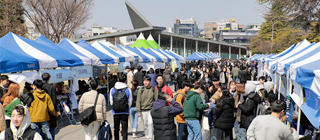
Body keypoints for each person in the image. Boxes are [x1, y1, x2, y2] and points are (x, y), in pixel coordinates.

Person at [110, 74, 132, 140]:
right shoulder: (128, 90)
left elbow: (111, 102)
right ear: (125, 81)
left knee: (116, 129)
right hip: (125, 112)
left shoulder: (112, 90)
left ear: (118, 80)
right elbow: (130, 102)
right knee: (125, 130)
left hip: (115, 112)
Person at [136, 76, 158, 140]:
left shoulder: (154, 90)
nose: (145, 82)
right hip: (143, 110)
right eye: (144, 81)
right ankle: (147, 137)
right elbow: (138, 101)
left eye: (147, 81)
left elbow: (156, 100)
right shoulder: (141, 90)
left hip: (151, 110)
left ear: (150, 82)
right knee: (145, 125)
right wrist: (139, 111)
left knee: (150, 123)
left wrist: (156, 109)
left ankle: (150, 137)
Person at [41, 73, 58, 140]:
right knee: (52, 128)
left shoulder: (40, 87)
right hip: (50, 110)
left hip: (42, 110)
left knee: (43, 129)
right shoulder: (52, 87)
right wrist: (55, 111)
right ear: (48, 79)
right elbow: (54, 101)